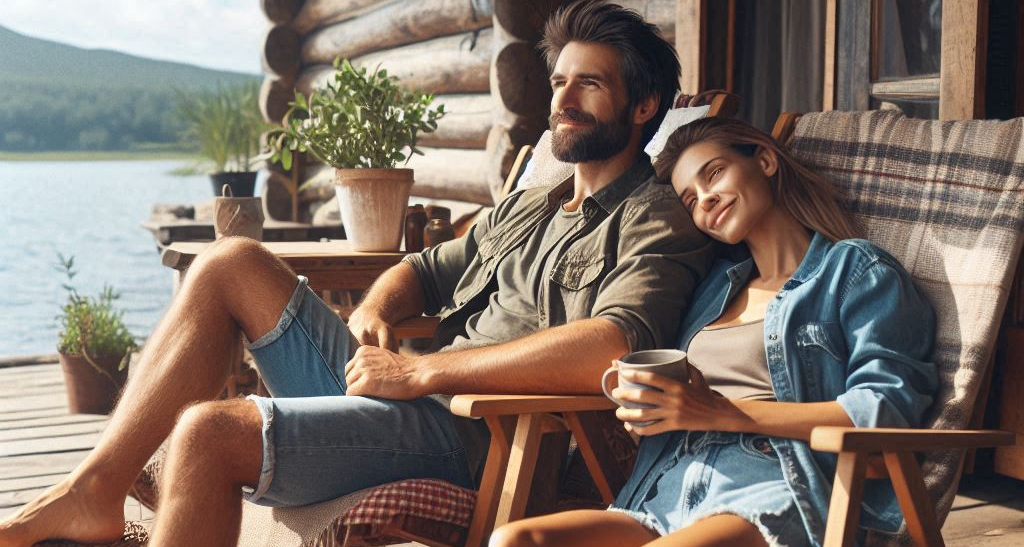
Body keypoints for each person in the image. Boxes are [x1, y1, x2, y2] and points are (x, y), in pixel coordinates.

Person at [0, 2, 713, 546]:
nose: (562, 98)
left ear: (642, 106)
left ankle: (98, 493)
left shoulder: (656, 217)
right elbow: (421, 270)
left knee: (205, 434)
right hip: (403, 398)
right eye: (559, 81)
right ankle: (96, 487)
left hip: (473, 431)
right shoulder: (532, 205)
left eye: (588, 84)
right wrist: (375, 310)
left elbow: (613, 348)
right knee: (231, 261)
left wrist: (426, 375)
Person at [489, 117, 939, 547]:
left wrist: (722, 413)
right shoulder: (713, 291)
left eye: (715, 173)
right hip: (666, 489)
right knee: (515, 539)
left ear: (764, 160)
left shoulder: (854, 272)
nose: (704, 198)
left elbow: (882, 413)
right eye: (689, 198)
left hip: (772, 487)